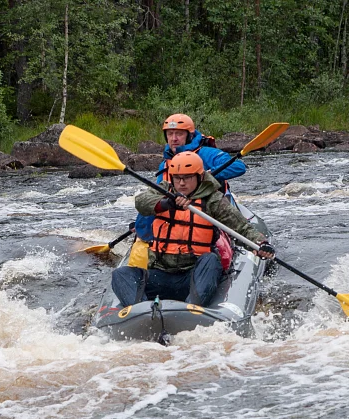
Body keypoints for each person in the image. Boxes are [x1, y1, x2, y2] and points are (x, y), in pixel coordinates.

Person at [112, 151, 274, 307]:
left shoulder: (213, 199)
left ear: (200, 177)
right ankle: (141, 312)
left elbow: (241, 228)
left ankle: (192, 308)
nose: (181, 183)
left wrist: (260, 244)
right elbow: (141, 202)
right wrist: (166, 203)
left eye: (187, 178)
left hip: (194, 276)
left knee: (211, 260)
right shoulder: (163, 191)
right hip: (161, 275)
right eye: (177, 178)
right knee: (120, 274)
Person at [132, 113, 247, 245]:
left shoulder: (206, 153)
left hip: (209, 207)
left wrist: (206, 175)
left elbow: (239, 166)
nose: (174, 138)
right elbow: (156, 196)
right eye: (170, 134)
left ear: (189, 135)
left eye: (179, 134)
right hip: (179, 210)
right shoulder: (165, 164)